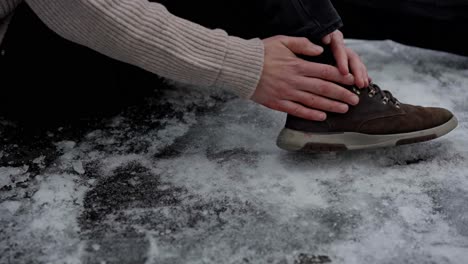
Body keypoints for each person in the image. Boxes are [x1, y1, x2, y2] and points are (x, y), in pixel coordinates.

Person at [0, 0, 458, 151]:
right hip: (32, 74)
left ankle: (322, 64)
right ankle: (328, 104)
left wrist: (321, 23)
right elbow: (84, 7)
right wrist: (245, 64)